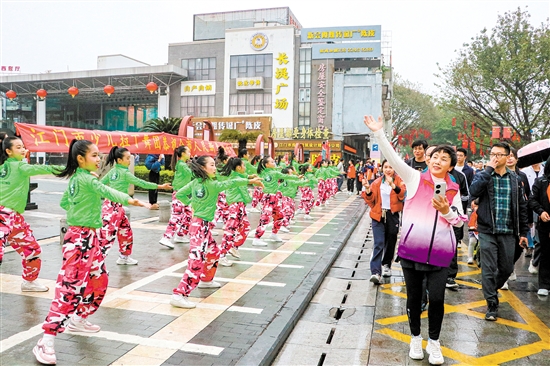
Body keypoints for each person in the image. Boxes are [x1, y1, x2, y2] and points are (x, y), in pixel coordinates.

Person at [33, 139, 147, 365]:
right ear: (80, 159)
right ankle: (46, 340)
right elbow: (107, 191)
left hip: (89, 238)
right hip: (80, 241)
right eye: (94, 155)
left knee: (99, 279)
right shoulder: (86, 179)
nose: (99, 159)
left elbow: (66, 202)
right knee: (69, 289)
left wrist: (82, 211)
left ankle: (78, 318)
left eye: (99, 155)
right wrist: (130, 200)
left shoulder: (77, 179)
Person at [364, 115, 466, 365]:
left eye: (443, 159)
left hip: (441, 253)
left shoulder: (453, 189)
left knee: (438, 300)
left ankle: (434, 342)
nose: (437, 161)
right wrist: (379, 133)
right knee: (413, 298)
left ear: (450, 166)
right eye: (434, 157)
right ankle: (415, 338)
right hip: (412, 251)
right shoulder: (415, 178)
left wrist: (445, 211)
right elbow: (394, 159)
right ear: (428, 160)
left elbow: (460, 221)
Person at [170, 156, 263, 309]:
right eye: (212, 165)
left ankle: (206, 280)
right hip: (200, 227)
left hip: (201, 226)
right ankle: (179, 294)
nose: (215, 167)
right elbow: (231, 182)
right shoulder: (212, 184)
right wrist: (250, 181)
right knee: (196, 261)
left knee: (213, 252)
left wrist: (191, 204)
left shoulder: (195, 183)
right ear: (203, 168)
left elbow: (180, 194)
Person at [469, 142, 529, 322]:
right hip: (487, 230)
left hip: (509, 230)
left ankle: (490, 289)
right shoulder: (483, 175)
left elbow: (522, 206)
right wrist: (487, 170)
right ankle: (492, 304)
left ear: (508, 157)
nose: (495, 157)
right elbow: (473, 191)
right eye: (492, 154)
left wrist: (524, 231)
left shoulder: (516, 179)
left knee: (507, 268)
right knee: (488, 268)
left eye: (499, 154)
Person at [0, 136, 63, 291]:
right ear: (8, 151)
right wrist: (68, 169)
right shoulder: (20, 166)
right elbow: (42, 169)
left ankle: (29, 282)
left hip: (14, 218)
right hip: (3, 216)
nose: (22, 149)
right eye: (18, 147)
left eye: (23, 146)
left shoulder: (5, 167)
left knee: (32, 249)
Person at [100, 146, 171, 263]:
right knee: (107, 237)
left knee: (126, 232)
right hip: (114, 208)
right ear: (119, 160)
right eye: (127, 158)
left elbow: (100, 184)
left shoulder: (113, 171)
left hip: (113, 207)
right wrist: (160, 186)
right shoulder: (124, 173)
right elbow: (142, 183)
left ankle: (124, 257)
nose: (129, 161)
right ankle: (94, 265)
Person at [361, 159, 406, 282]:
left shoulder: (400, 181)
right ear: (382, 169)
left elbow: (402, 195)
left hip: (393, 215)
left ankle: (386, 264)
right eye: (386, 167)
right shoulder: (376, 183)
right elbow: (371, 201)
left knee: (391, 241)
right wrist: (368, 190)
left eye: (391, 167)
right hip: (378, 215)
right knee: (379, 243)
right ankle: (375, 272)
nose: (388, 169)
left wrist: (393, 186)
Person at [253, 157, 300, 246]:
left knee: (279, 216)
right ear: (267, 165)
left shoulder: (263, 172)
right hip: (268, 197)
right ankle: (256, 238)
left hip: (274, 198)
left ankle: (273, 234)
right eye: (272, 161)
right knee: (265, 218)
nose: (274, 162)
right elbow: (285, 176)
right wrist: (297, 176)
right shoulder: (273, 173)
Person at [219, 157, 256, 265]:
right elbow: (246, 198)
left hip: (237, 206)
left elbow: (244, 176)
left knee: (245, 227)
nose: (245, 167)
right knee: (230, 231)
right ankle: (222, 254)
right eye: (243, 165)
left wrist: (250, 176)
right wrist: (250, 195)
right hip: (237, 206)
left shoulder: (235, 175)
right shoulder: (238, 180)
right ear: (239, 167)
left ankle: (233, 246)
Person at [159, 146, 193, 249]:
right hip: (179, 194)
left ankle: (180, 235)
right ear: (183, 153)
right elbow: (191, 174)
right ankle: (166, 238)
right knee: (177, 216)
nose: (190, 153)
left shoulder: (183, 164)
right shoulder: (182, 164)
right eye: (188, 151)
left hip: (184, 194)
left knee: (189, 214)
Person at [527, 156, 550, 297]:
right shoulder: (541, 182)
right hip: (546, 225)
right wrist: (541, 212)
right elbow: (532, 200)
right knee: (546, 254)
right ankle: (544, 284)